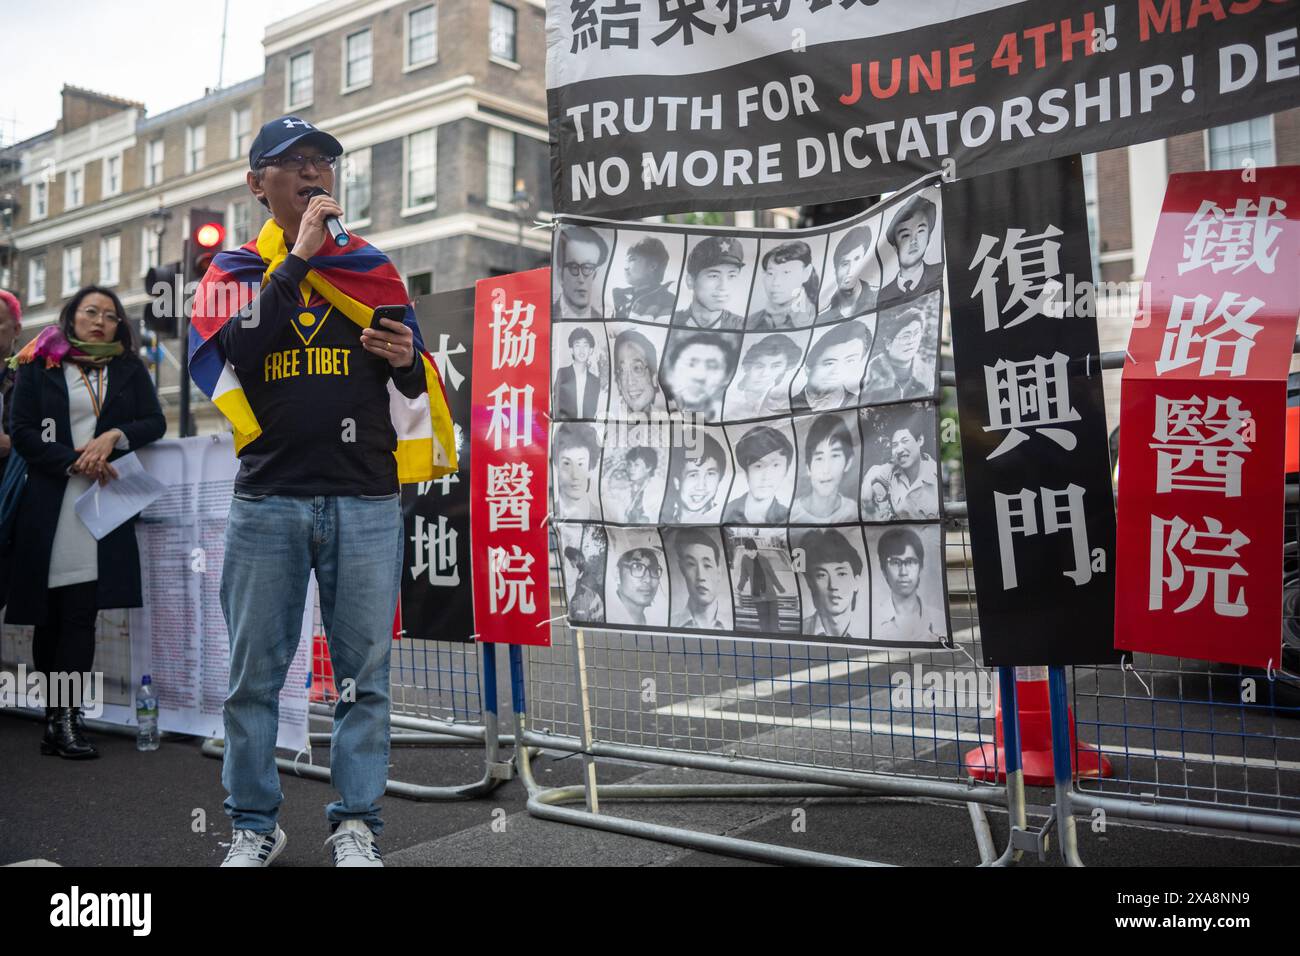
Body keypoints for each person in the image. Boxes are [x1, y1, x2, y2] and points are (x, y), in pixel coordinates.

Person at [188, 115, 458, 867]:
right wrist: (299, 257)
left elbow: (413, 380)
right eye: (294, 163)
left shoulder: (373, 267)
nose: (314, 174)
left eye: (324, 163)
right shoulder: (233, 274)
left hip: (365, 499)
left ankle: (358, 825)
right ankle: (252, 823)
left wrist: (407, 359)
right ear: (256, 183)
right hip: (268, 498)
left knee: (363, 681)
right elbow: (235, 349)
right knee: (253, 680)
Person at [7, 285, 166, 759]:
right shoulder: (41, 365)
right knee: (48, 617)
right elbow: (22, 432)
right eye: (90, 312)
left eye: (110, 316)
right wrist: (73, 461)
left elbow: (153, 423)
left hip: (102, 505)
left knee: (81, 614)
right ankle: (54, 719)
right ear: (71, 316)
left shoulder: (128, 368)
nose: (100, 321)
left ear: (120, 326)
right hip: (50, 502)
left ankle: (68, 718)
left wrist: (115, 435)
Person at [862, 412, 940, 520]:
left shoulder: (936, 474)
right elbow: (873, 474)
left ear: (920, 440)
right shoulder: (892, 472)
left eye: (905, 441)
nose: (899, 450)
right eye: (895, 445)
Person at [874, 527, 946, 643]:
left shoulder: (939, 619)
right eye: (895, 562)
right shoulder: (873, 621)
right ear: (883, 570)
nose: (903, 572)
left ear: (921, 567)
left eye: (910, 562)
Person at [798, 529, 866, 639]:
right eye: (822, 575)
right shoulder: (799, 630)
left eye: (842, 574)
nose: (833, 585)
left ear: (856, 582)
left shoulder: (876, 632)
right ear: (810, 583)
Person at [791, 414, 858, 523]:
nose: (826, 470)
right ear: (808, 467)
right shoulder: (791, 512)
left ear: (848, 462)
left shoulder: (854, 512)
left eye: (835, 456)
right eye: (819, 458)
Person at [791, 320, 871, 413]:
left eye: (850, 361)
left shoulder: (862, 407)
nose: (838, 370)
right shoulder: (785, 407)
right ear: (808, 369)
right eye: (829, 363)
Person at [877, 195, 943, 307]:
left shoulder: (941, 273)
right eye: (906, 235)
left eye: (920, 231)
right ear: (895, 247)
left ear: (929, 237)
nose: (914, 240)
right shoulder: (883, 295)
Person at [672, 236, 746, 330]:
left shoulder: (743, 326)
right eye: (714, 276)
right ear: (690, 281)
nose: (723, 286)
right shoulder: (670, 321)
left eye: (731, 276)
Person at [861, 307, 934, 403]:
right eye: (905, 336)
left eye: (916, 334)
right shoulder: (870, 372)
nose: (911, 341)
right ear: (888, 344)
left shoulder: (926, 374)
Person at [661, 331, 736, 421]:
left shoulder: (732, 417)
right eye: (691, 364)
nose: (699, 376)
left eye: (712, 367)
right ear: (671, 371)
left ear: (727, 378)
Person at [722, 425, 792, 524]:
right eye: (758, 466)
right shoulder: (725, 512)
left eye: (775, 465)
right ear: (747, 471)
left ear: (786, 470)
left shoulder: (789, 517)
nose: (766, 477)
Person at [727, 333, 803, 420]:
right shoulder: (729, 394)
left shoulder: (785, 399)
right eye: (759, 366)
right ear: (749, 365)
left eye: (775, 366)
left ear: (785, 368)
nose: (765, 374)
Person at [668, 529, 732, 630]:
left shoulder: (731, 624)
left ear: (719, 572)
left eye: (707, 565)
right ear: (682, 569)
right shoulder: (671, 624)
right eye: (691, 564)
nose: (701, 577)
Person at [747, 241, 818, 330]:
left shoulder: (818, 317)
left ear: (806, 273)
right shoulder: (751, 322)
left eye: (786, 272)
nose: (775, 283)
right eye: (770, 273)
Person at [660, 430, 727, 524]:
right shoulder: (661, 519)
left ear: (719, 479)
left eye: (710, 474)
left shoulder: (727, 519)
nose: (701, 486)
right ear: (676, 482)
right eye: (693, 475)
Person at [818, 225, 878, 322]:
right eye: (845, 264)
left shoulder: (881, 297)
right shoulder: (821, 319)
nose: (850, 271)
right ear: (835, 270)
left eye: (857, 259)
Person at [611, 236, 676, 321]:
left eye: (632, 259)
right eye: (626, 261)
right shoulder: (617, 294)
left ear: (652, 266)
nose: (625, 267)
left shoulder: (668, 300)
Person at [553, 225, 608, 319]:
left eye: (588, 268)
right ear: (560, 275)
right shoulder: (543, 319)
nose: (581, 279)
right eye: (574, 267)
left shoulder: (607, 325)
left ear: (595, 275)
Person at [735, 537, 786, 632]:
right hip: (758, 596)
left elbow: (772, 575)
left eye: (751, 550)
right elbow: (744, 576)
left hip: (770, 595)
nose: (749, 553)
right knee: (764, 624)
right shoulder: (745, 560)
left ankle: (776, 642)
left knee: (774, 625)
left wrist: (781, 588)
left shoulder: (764, 560)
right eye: (747, 550)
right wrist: (739, 588)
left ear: (756, 550)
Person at [610, 327, 663, 418]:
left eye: (637, 368)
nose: (629, 382)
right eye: (622, 371)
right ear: (619, 383)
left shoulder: (668, 423)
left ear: (654, 378)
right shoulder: (607, 422)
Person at [552, 423, 601, 520]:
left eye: (580, 464)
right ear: (556, 467)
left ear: (590, 468)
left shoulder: (604, 516)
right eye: (567, 464)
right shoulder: (546, 517)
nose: (575, 475)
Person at [607, 546, 666, 626]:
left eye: (653, 569)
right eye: (637, 567)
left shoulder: (659, 620)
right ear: (617, 574)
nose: (648, 579)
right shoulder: (604, 617)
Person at [554, 326, 602, 419]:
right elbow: (556, 404)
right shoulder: (562, 373)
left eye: (585, 345)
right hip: (566, 429)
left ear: (591, 350)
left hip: (587, 430)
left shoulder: (595, 381)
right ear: (571, 350)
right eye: (577, 345)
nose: (581, 350)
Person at [608, 445, 658, 523]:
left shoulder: (655, 488)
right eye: (629, 464)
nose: (631, 469)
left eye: (636, 465)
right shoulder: (626, 487)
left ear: (649, 468)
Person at [0, 289, 22, 460]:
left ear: (16, 330)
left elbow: (49, 432)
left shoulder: (37, 376)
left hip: (15, 482)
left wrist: (13, 443)